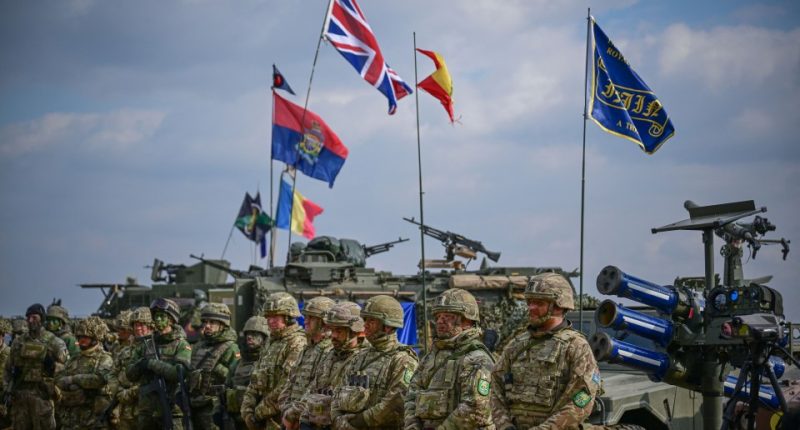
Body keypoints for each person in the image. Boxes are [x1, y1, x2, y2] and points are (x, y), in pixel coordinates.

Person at [491, 273, 601, 430]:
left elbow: (581, 400)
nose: (531, 308)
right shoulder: (516, 344)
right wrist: (505, 425)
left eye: (539, 303)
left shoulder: (576, 346)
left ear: (558, 305)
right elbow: (494, 388)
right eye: (529, 302)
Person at [404, 288, 496, 430]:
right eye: (438, 316)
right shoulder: (431, 357)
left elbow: (475, 408)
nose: (440, 321)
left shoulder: (477, 358)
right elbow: (411, 395)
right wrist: (412, 426)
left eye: (448, 316)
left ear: (467, 320)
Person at [331, 295, 418, 430]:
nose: (365, 325)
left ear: (387, 326)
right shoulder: (360, 356)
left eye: (371, 320)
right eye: (365, 319)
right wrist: (337, 418)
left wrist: (358, 422)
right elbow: (338, 392)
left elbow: (396, 403)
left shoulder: (402, 359)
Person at [240, 293, 306, 430]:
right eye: (268, 317)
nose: (270, 321)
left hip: (282, 419)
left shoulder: (297, 342)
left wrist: (258, 413)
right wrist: (247, 409)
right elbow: (255, 378)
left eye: (275, 317)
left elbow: (286, 385)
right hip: (263, 418)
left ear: (288, 317)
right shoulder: (271, 341)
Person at [299, 301, 368, 430]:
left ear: (354, 332)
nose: (333, 336)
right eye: (332, 330)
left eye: (339, 331)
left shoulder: (364, 360)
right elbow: (313, 389)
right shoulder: (331, 355)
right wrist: (304, 418)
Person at [126, 298, 192, 430]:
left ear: (171, 320)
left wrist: (151, 364)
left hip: (171, 409)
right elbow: (130, 374)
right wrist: (140, 365)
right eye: (156, 316)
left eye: (162, 316)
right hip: (147, 411)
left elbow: (177, 373)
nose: (158, 319)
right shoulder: (146, 344)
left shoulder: (181, 345)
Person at [4, 303, 68, 430]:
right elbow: (7, 369)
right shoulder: (18, 342)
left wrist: (53, 366)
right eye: (28, 318)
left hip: (42, 397)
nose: (30, 321)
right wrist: (7, 389)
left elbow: (68, 368)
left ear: (42, 319)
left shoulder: (54, 342)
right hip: (20, 397)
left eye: (34, 317)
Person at [279, 296, 336, 430]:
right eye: (306, 317)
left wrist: (294, 415)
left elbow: (316, 388)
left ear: (324, 322)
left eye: (311, 318)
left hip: (307, 422)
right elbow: (290, 382)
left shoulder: (329, 350)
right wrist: (286, 410)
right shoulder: (307, 348)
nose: (306, 321)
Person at [55, 317, 114, 429]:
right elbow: (59, 378)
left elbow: (99, 380)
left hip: (93, 420)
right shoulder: (74, 359)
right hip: (71, 419)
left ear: (95, 338)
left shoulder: (104, 358)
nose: (81, 341)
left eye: (85, 338)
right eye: (79, 337)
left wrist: (74, 380)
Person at [189, 303, 240, 430]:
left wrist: (217, 368)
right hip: (193, 405)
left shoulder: (231, 348)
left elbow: (236, 379)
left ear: (222, 325)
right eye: (205, 322)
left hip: (215, 408)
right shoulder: (199, 346)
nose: (207, 326)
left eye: (212, 322)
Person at [221, 316, 269, 430]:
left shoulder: (267, 363)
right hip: (236, 420)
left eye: (255, 334)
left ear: (265, 338)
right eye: (248, 334)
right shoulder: (237, 364)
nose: (250, 337)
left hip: (258, 420)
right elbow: (226, 388)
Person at [108, 309, 146, 430]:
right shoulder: (123, 350)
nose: (120, 332)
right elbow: (112, 374)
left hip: (145, 409)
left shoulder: (150, 349)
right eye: (135, 325)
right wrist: (118, 392)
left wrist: (131, 392)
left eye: (123, 329)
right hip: (125, 411)